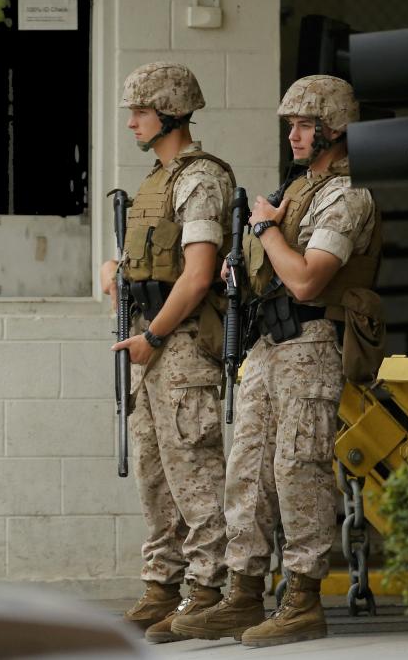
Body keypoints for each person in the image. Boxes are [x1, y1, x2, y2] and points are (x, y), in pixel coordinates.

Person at [171, 74, 382, 647]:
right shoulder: (300, 191)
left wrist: (264, 229)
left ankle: (302, 598)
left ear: (334, 130)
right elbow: (272, 269)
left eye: (304, 124)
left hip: (313, 343)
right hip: (271, 343)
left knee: (298, 467)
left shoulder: (347, 194)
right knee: (248, 466)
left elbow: (309, 280)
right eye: (290, 124)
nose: (293, 134)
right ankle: (243, 593)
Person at [99, 61, 235, 644]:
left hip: (179, 346)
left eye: (140, 111)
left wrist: (153, 337)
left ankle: (208, 590)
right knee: (154, 474)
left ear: (170, 113)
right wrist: (115, 273)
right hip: (151, 341)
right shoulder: (158, 178)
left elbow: (199, 273)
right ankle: (163, 584)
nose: (131, 122)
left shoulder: (198, 179)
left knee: (195, 472)